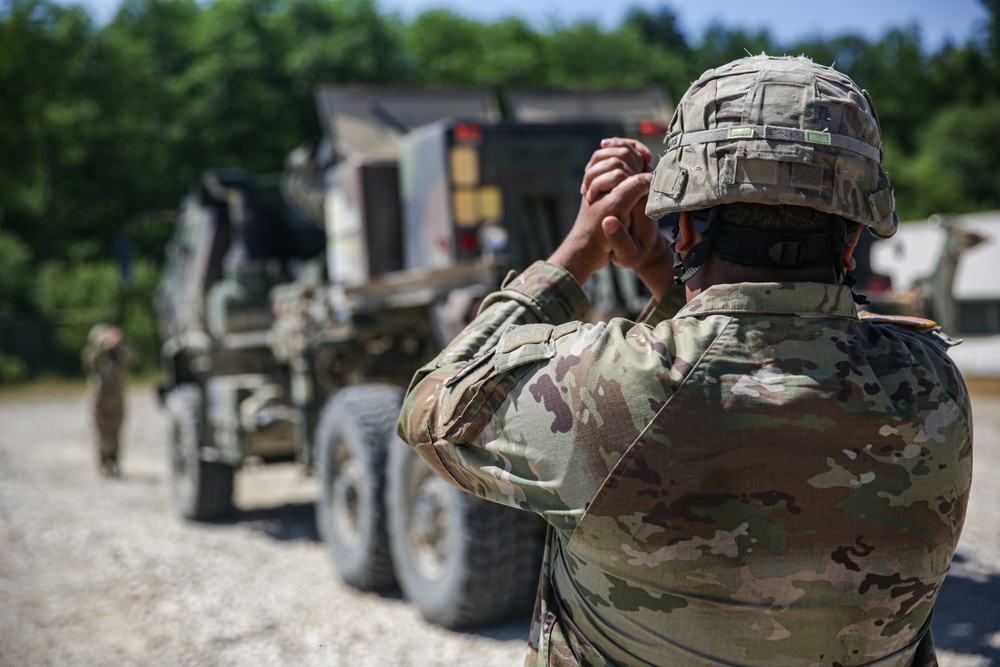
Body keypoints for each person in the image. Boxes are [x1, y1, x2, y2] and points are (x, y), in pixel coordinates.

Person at [398, 55, 973, 667]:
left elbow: (432, 403)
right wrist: (658, 270)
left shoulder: (596, 390)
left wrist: (574, 257)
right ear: (854, 236)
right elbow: (739, 352)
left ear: (690, 233)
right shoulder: (931, 388)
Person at [82, 323, 134, 477]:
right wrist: (102, 346)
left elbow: (132, 358)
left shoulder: (119, 355)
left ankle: (115, 463)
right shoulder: (95, 354)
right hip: (100, 401)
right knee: (102, 434)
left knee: (116, 433)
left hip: (118, 401)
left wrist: (119, 344)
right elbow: (90, 361)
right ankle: (104, 463)